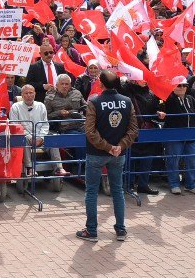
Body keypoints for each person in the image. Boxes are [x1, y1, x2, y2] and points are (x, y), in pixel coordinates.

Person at [77, 70, 139, 242]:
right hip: (118, 154)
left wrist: (108, 147)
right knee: (117, 190)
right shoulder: (127, 102)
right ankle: (120, 229)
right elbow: (133, 129)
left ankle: (91, 230)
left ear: (100, 84)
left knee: (91, 192)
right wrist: (119, 146)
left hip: (97, 153)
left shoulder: (94, 101)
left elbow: (89, 131)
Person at [160, 78, 195, 195]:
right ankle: (174, 184)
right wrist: (160, 113)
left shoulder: (190, 98)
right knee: (173, 160)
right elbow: (159, 108)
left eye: (184, 85)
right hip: (174, 134)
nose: (182, 87)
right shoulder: (168, 98)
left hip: (191, 134)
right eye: (179, 85)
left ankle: (191, 184)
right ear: (173, 86)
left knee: (193, 160)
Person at [11, 84, 64, 177]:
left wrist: (41, 137)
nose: (29, 95)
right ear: (22, 95)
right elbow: (16, 126)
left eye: (31, 93)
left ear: (35, 94)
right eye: (26, 93)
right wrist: (30, 137)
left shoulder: (41, 106)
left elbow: (45, 124)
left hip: (40, 137)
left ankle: (59, 168)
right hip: (26, 137)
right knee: (23, 139)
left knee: (53, 138)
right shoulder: (15, 107)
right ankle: (29, 168)